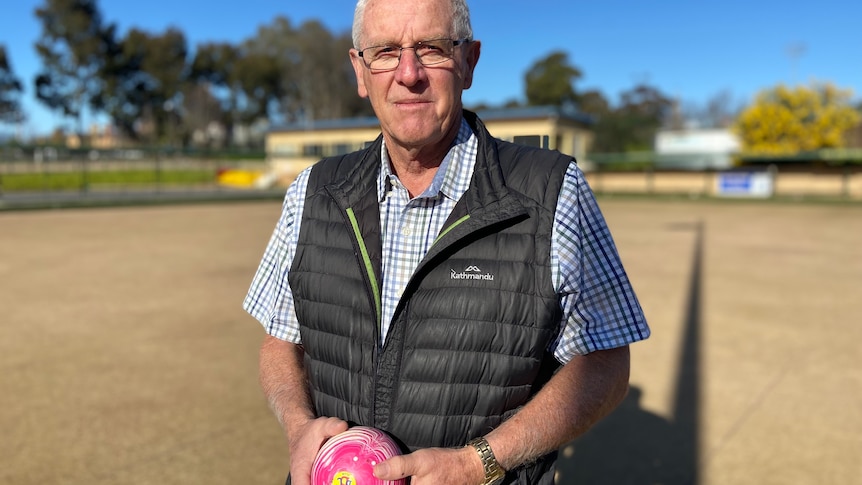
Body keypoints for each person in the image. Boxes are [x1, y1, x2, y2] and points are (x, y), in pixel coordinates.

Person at [243, 0, 650, 483]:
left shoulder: (552, 191)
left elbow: (605, 362)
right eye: (386, 51)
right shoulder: (312, 192)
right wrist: (297, 427)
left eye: (432, 49)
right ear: (360, 70)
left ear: (469, 61)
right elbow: (280, 340)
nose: (408, 73)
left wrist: (479, 461)